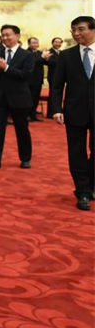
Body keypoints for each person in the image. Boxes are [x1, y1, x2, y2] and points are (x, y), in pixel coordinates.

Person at [49, 16, 95, 211]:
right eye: (73, 30)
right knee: (76, 152)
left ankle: (92, 184)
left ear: (93, 30)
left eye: (81, 29)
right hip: (74, 111)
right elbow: (57, 86)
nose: (76, 33)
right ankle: (82, 191)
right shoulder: (66, 56)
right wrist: (56, 110)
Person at [0, 24, 34, 170]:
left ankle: (25, 158)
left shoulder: (27, 55)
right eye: (3, 35)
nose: (5, 37)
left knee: (22, 129)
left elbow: (25, 76)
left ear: (17, 36)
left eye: (8, 34)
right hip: (0, 97)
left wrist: (6, 68)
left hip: (19, 98)